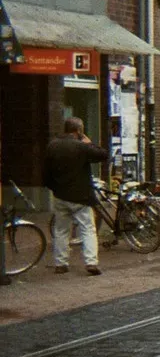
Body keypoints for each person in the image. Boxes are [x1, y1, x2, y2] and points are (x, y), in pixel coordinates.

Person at [43, 116, 108, 275]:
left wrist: (54, 188)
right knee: (88, 229)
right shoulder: (81, 147)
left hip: (60, 195)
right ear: (79, 130)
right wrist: (89, 142)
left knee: (61, 230)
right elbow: (102, 155)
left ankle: (61, 264)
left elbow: (46, 173)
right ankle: (91, 262)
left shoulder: (53, 145)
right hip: (80, 196)